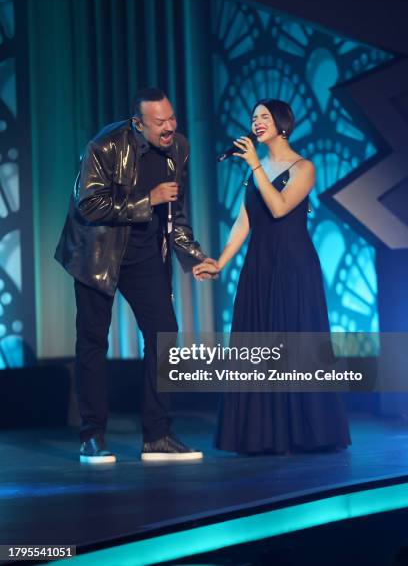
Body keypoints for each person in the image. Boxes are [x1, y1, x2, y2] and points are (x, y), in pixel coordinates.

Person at [55, 88, 217, 463]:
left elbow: (176, 214)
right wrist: (149, 199)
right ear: (138, 123)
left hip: (145, 256)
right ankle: (92, 435)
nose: (169, 127)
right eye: (160, 122)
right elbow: (89, 204)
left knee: (163, 334)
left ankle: (157, 435)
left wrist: (193, 258)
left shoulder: (179, 147)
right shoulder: (105, 145)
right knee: (93, 343)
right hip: (98, 253)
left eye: (172, 118)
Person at [194, 99, 351, 454]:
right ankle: (263, 434)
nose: (257, 121)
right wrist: (220, 261)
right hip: (260, 266)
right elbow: (244, 221)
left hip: (294, 266)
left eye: (264, 116)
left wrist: (254, 167)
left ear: (282, 123)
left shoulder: (303, 166)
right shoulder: (257, 170)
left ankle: (309, 433)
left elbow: (280, 208)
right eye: (254, 117)